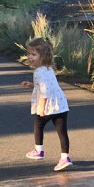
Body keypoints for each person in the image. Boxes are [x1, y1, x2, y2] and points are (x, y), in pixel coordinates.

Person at [20, 38, 73, 171]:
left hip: (49, 105)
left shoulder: (38, 72)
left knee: (38, 124)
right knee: (62, 132)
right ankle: (65, 157)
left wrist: (41, 107)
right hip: (60, 105)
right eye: (29, 54)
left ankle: (39, 150)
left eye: (33, 54)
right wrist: (31, 85)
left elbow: (44, 91)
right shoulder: (49, 69)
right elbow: (45, 86)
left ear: (42, 57)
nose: (30, 57)